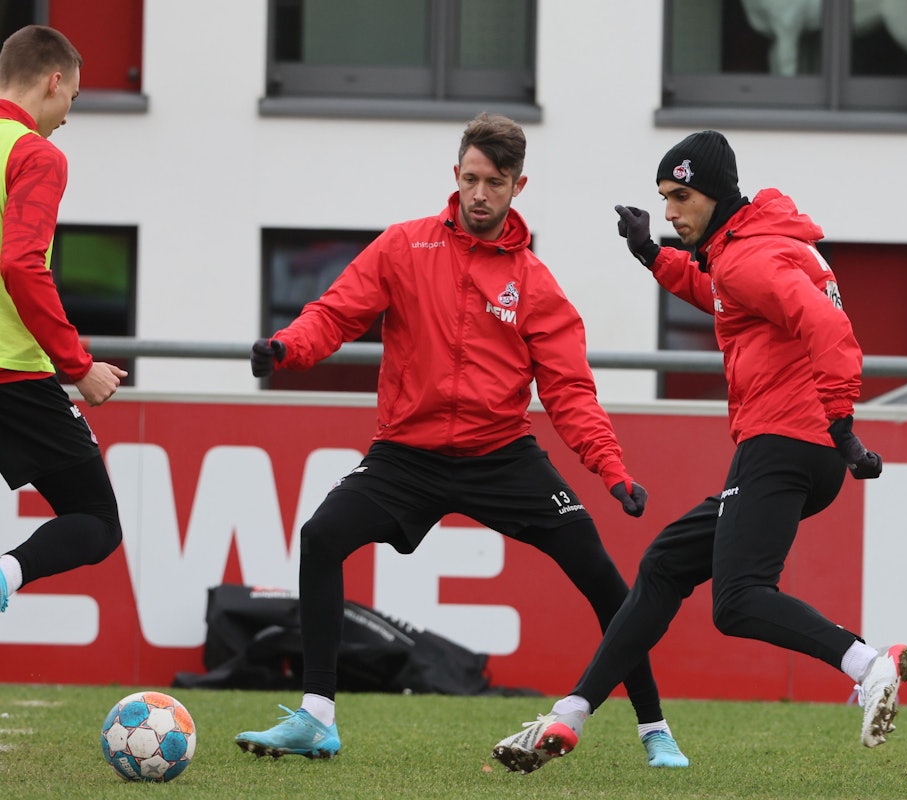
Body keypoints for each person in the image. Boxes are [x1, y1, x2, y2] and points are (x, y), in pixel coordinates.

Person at [234, 112, 689, 769]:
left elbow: (569, 392)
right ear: (456, 174)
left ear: (518, 186)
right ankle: (317, 718)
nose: (480, 194)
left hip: (500, 454)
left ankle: (654, 730)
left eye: (495, 183)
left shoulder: (535, 284)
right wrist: (286, 347)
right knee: (321, 536)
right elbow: (335, 313)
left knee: (603, 577)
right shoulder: (403, 246)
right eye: (471, 179)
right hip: (405, 454)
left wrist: (611, 470)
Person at [491, 130, 907, 773]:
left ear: (715, 194)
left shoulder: (748, 257)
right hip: (804, 447)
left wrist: (842, 421)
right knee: (666, 563)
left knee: (739, 599)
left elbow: (827, 326)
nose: (669, 212)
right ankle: (569, 714)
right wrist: (651, 255)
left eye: (680, 197)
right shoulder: (756, 244)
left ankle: (867, 665)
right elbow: (724, 294)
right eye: (664, 197)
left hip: (783, 440)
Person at [0, 25, 126, 614]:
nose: (68, 116)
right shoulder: (36, 154)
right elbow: (21, 263)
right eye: (72, 98)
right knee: (96, 519)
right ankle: (7, 573)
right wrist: (77, 365)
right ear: (54, 82)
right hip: (14, 376)